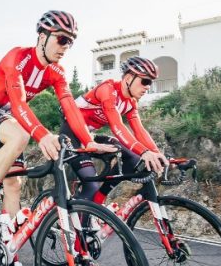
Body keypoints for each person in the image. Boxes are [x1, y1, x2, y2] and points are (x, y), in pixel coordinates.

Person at [0, 10, 115, 266]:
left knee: (14, 186)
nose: (65, 47)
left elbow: (70, 107)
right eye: (61, 39)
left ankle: (11, 261)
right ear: (42, 36)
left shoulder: (56, 72)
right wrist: (42, 134)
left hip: (7, 120)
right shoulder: (17, 58)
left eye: (70, 42)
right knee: (21, 136)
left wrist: (89, 141)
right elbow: (20, 103)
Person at [65, 56, 168, 204]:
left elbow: (139, 131)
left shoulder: (131, 102)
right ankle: (82, 221)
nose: (148, 86)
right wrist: (144, 151)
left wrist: (156, 153)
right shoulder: (107, 89)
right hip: (71, 134)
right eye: (145, 81)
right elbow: (117, 126)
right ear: (128, 78)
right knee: (91, 187)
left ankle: (100, 199)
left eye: (151, 82)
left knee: (133, 158)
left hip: (90, 136)